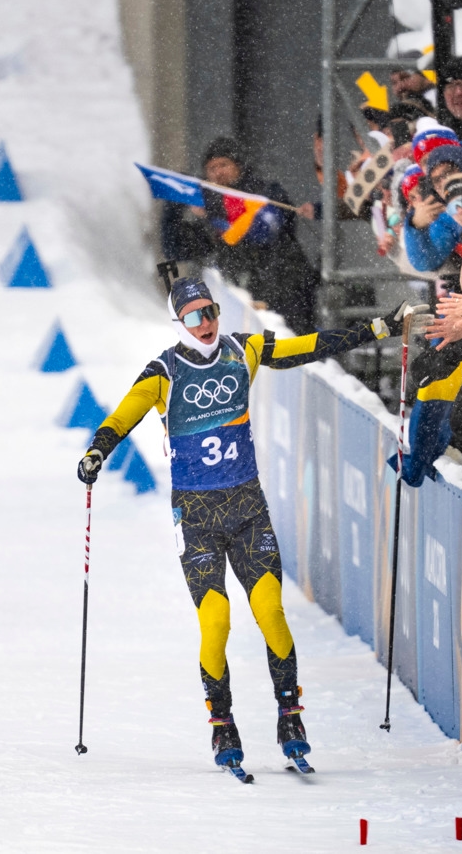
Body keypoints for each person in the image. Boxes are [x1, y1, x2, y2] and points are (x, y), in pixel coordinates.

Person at [75, 275, 424, 776]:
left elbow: (310, 346)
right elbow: (121, 418)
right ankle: (222, 723)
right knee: (215, 622)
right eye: (194, 316)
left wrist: (380, 327)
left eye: (211, 311)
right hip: (195, 517)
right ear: (179, 322)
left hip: (246, 509)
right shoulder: (163, 373)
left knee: (271, 613)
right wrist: (95, 453)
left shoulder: (244, 351)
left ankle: (290, 718)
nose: (207, 323)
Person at [161, 137, 321, 333]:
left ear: (239, 166)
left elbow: (263, 230)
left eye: (224, 165)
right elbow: (174, 248)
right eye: (211, 169)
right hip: (242, 302)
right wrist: (175, 203)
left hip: (287, 292)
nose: (218, 173)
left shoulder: (266, 193)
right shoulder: (212, 216)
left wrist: (213, 210)